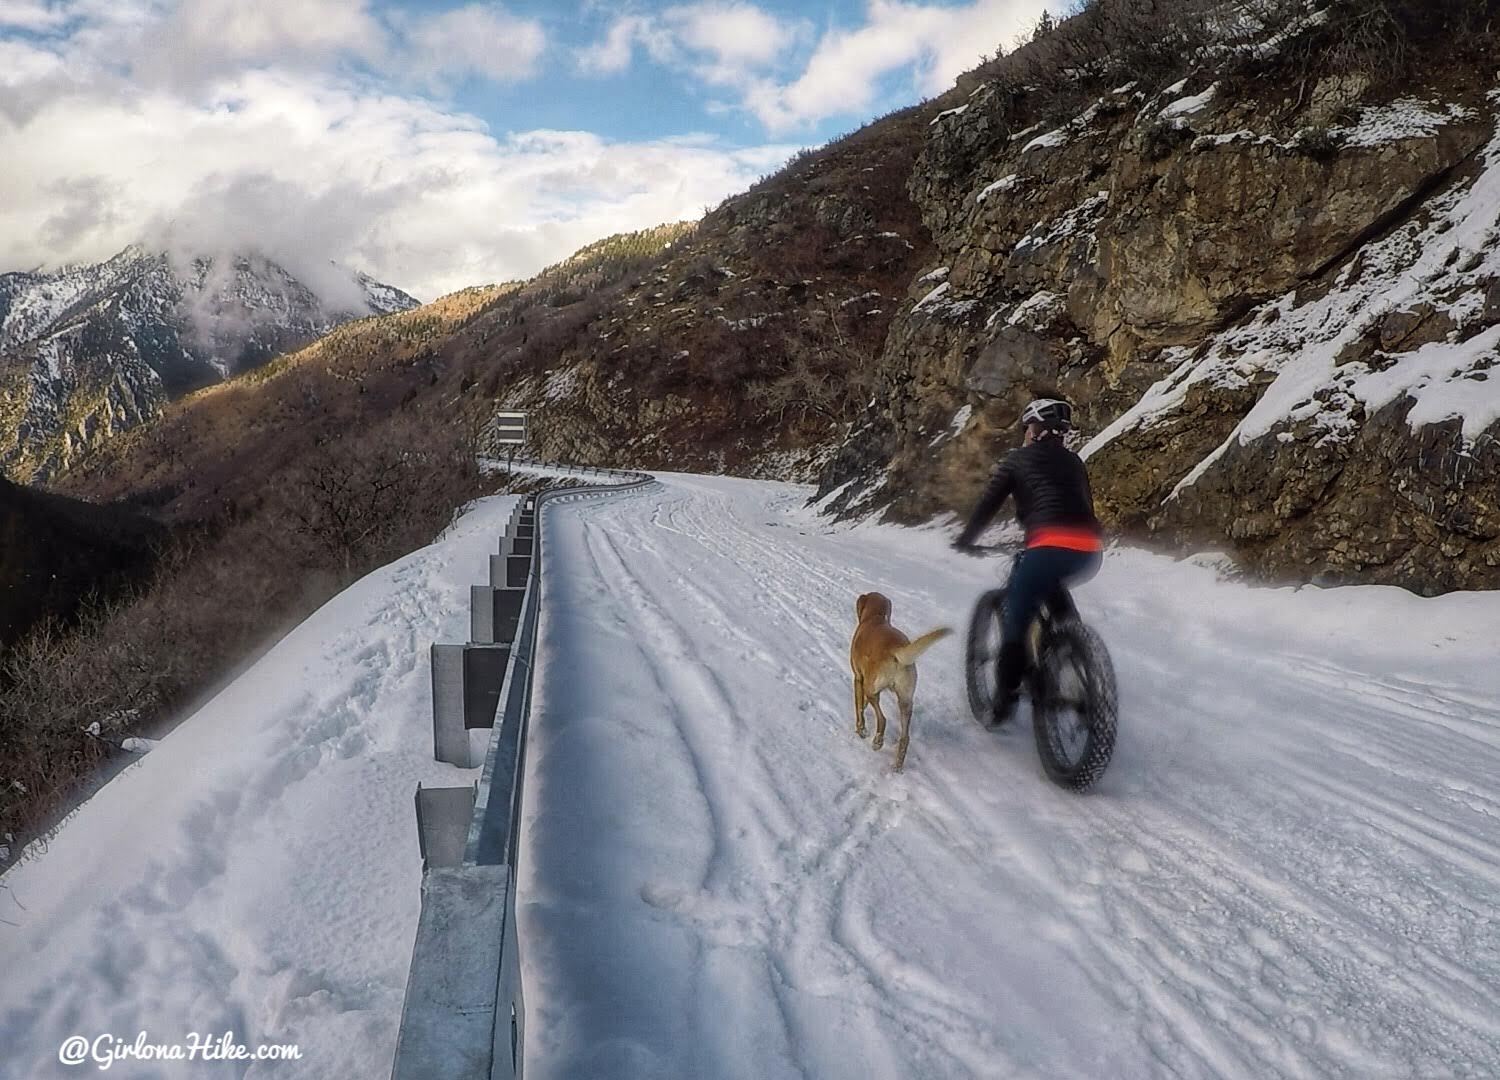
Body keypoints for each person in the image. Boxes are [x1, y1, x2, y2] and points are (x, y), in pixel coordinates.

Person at [952, 398, 1103, 722]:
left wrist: (966, 539)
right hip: (1089, 551)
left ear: (1035, 430)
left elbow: (988, 505)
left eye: (1026, 428)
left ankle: (1004, 699)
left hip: (1048, 546)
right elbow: (1081, 507)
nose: (1024, 434)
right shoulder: (1075, 462)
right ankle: (1075, 652)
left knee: (1016, 616)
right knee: (1053, 591)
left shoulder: (1016, 460)